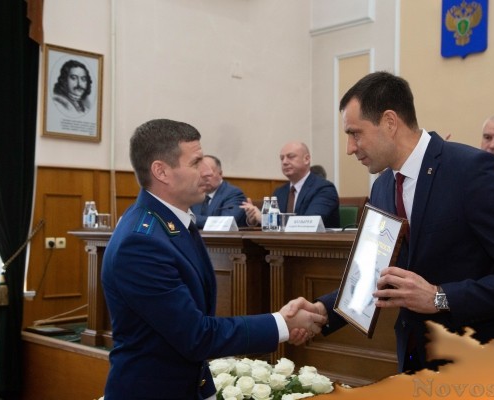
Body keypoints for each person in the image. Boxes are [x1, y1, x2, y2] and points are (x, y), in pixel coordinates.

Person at [289, 72, 494, 373]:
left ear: (390, 122)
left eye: (355, 133)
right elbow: (376, 272)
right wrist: (323, 311)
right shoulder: (382, 186)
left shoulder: (472, 170)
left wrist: (440, 298)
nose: (350, 147)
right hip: (415, 358)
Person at [101, 119, 325, 400]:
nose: (205, 172)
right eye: (196, 162)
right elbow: (196, 336)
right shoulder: (141, 242)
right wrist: (282, 324)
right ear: (161, 171)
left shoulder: (175, 222)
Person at [240, 141, 340, 228]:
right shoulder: (279, 192)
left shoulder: (324, 189)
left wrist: (264, 219)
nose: (284, 162)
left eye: (290, 157)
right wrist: (253, 219)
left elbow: (308, 224)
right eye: (282, 158)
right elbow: (269, 227)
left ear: (306, 159)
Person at [190, 155, 247, 228]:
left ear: (220, 174)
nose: (204, 178)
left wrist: (191, 219)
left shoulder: (234, 194)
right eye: (201, 173)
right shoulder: (193, 193)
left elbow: (225, 223)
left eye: (209, 174)